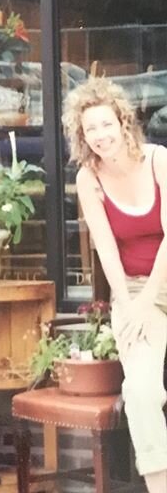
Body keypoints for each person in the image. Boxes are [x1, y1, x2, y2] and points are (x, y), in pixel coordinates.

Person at [63, 76, 167, 493]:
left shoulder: (159, 160)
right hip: (135, 289)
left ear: (123, 123)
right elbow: (106, 252)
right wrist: (130, 305)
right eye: (91, 129)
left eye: (106, 125)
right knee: (140, 392)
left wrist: (146, 301)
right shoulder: (90, 179)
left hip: (158, 282)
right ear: (82, 136)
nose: (100, 135)